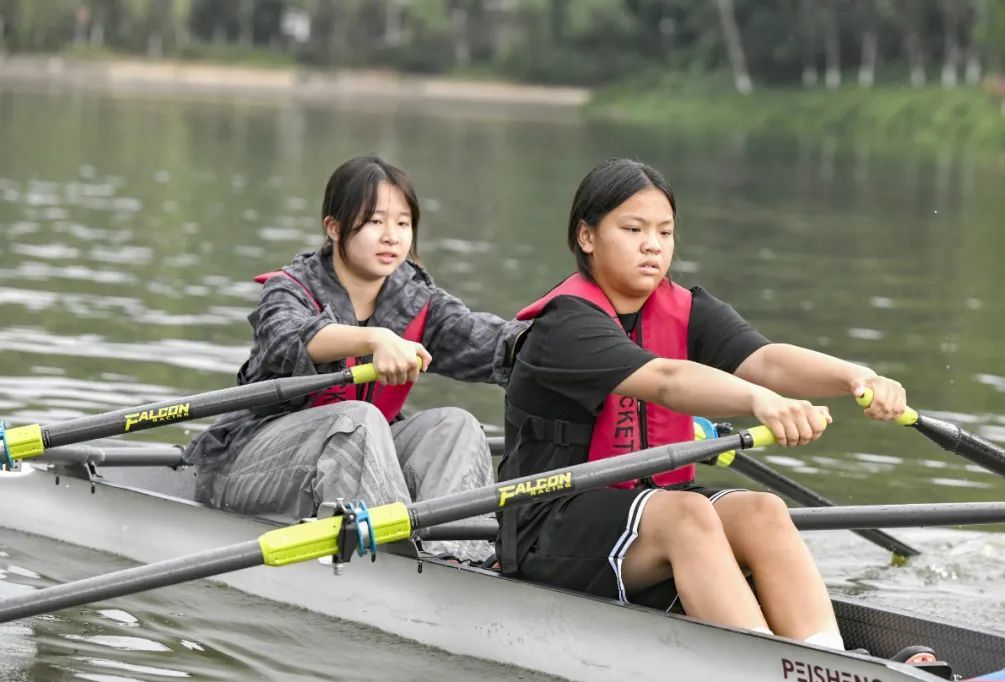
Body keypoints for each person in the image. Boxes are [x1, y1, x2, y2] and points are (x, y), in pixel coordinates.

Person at [495, 158, 909, 649]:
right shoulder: (566, 325)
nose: (653, 244)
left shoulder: (686, 307)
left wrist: (856, 375)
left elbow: (767, 361)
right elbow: (667, 380)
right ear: (587, 236)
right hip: (548, 525)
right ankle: (762, 669)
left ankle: (823, 659)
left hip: (644, 510)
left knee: (762, 510)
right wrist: (761, 402)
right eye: (633, 229)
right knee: (685, 515)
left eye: (665, 232)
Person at [183, 155, 526, 563]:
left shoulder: (418, 299)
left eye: (403, 223)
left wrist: (574, 339)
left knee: (456, 425)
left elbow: (493, 343)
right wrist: (374, 339)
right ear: (334, 227)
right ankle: (392, 562)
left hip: (359, 462)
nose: (392, 236)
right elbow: (287, 339)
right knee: (358, 420)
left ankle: (456, 558)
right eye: (375, 221)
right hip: (247, 468)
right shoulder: (289, 289)